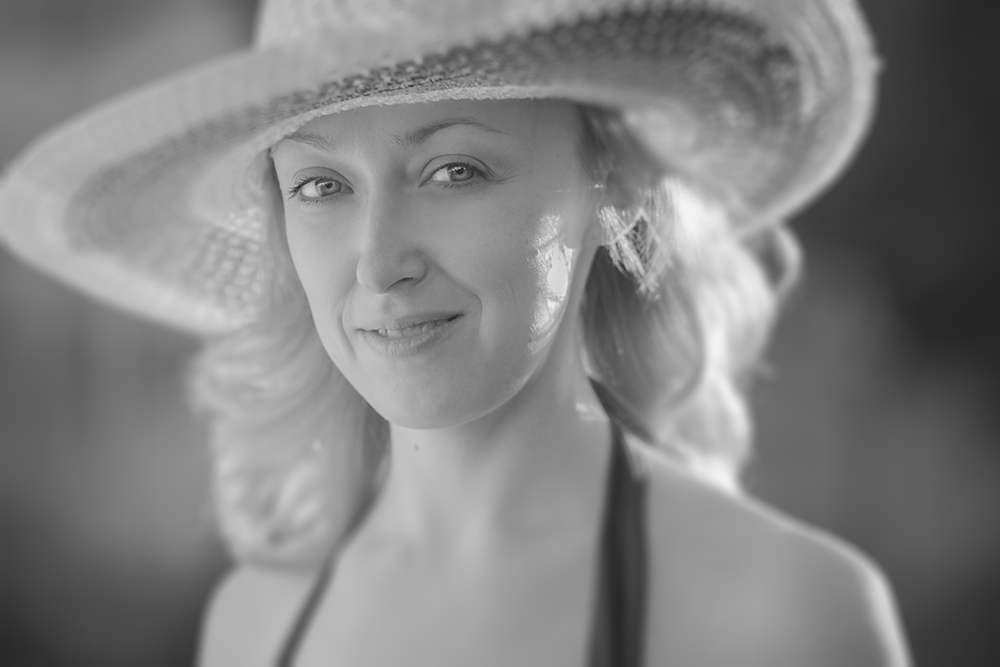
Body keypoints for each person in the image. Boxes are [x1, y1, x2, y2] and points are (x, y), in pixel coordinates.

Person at [0, 0, 910, 665]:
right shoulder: (255, 625)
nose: (378, 261)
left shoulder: (781, 619)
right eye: (321, 186)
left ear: (618, 181)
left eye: (454, 170)